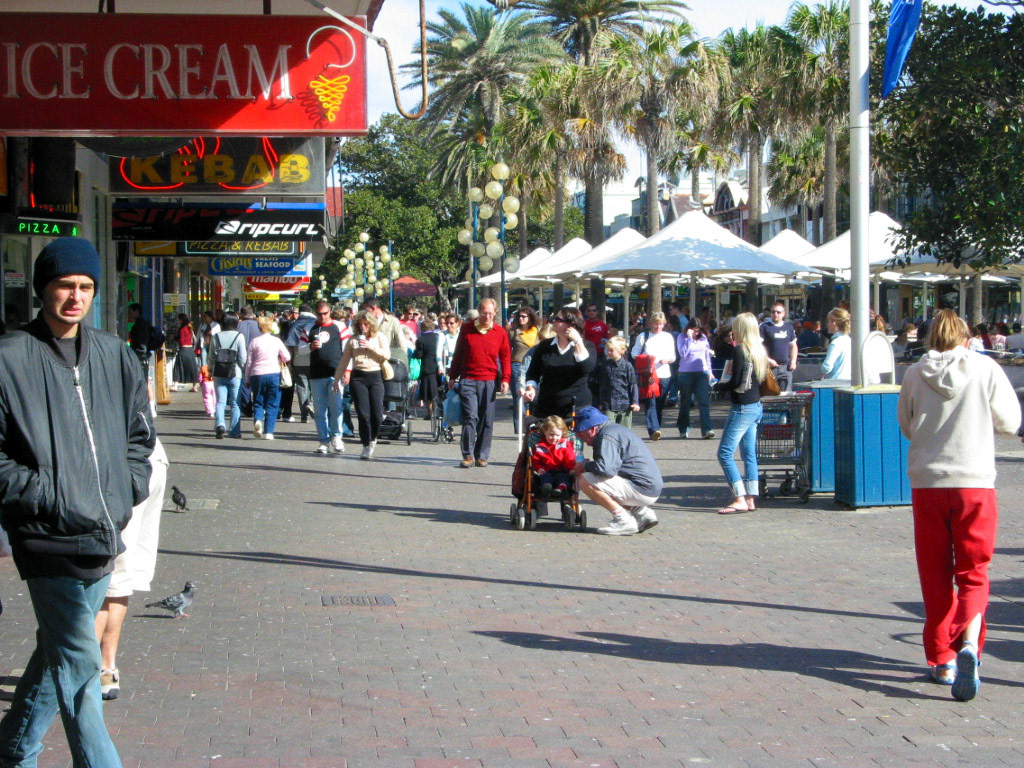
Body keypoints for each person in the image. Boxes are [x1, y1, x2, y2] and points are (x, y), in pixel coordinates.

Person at [0, 237, 155, 768]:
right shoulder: (9, 358)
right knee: (81, 669)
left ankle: (12, 751)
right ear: (44, 288)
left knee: (59, 655)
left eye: (85, 287)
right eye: (65, 285)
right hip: (47, 538)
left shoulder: (114, 354)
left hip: (103, 532)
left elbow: (140, 436)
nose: (75, 297)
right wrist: (51, 497)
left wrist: (124, 490)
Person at [897, 309, 1020, 701]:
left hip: (929, 482)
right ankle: (969, 641)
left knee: (934, 573)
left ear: (932, 336)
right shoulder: (985, 370)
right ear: (967, 338)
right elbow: (1009, 420)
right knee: (974, 572)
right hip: (974, 482)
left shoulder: (916, 372)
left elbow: (906, 423)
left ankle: (940, 658)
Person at [94, 438, 168, 701]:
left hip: (118, 462)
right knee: (116, 578)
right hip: (148, 458)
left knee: (100, 573)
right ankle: (106, 667)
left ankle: (84, 672)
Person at [571, 406, 663, 536]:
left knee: (586, 479)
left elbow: (606, 470)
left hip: (642, 488)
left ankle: (623, 521)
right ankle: (642, 513)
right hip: (650, 486)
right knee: (599, 479)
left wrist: (584, 467)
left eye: (581, 431)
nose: (579, 435)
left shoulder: (607, 436)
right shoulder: (614, 430)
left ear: (592, 428)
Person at [713, 312, 768, 515]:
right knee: (749, 454)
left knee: (725, 453)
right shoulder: (758, 350)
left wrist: (719, 387)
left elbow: (736, 382)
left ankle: (739, 497)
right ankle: (752, 496)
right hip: (755, 405)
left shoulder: (740, 350)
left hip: (742, 406)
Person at [448, 298, 511, 468]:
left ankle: (482, 455)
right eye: (484, 313)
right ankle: (468, 455)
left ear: (495, 313)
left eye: (491, 313)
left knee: (487, 419)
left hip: (489, 380)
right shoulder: (467, 329)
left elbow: (505, 358)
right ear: (478, 312)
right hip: (468, 379)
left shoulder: (500, 332)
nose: (488, 316)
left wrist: (505, 379)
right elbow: (458, 353)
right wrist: (453, 376)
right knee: (471, 417)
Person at [523, 306, 597, 420]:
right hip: (547, 406)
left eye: (558, 319)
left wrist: (578, 341)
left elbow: (587, 367)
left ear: (571, 324)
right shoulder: (544, 346)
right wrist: (531, 387)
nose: (553, 321)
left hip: (576, 407)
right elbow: (533, 372)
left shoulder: (588, 346)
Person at [336, 310, 390, 460]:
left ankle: (373, 438)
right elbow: (344, 360)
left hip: (376, 375)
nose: (363, 327)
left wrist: (370, 346)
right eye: (360, 324)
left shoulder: (379, 337)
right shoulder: (353, 340)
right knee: (363, 414)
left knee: (377, 415)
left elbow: (386, 355)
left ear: (371, 324)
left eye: (366, 324)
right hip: (358, 377)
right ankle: (366, 444)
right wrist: (336, 379)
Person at [630, 311, 676, 440]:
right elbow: (635, 352)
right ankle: (653, 429)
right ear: (651, 324)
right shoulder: (643, 336)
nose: (658, 327)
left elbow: (673, 356)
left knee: (660, 402)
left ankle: (657, 427)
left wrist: (667, 360)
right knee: (651, 402)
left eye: (660, 324)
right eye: (656, 324)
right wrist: (645, 360)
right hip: (648, 375)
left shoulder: (668, 337)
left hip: (663, 373)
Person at [308, 300, 345, 455]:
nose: (322, 316)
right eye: (319, 314)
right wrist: (309, 347)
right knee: (319, 411)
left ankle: (337, 437)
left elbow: (347, 348)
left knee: (336, 407)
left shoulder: (339, 327)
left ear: (330, 311)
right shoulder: (310, 328)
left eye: (325, 313)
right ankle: (323, 440)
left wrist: (347, 371)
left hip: (335, 374)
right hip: (316, 374)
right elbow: (299, 349)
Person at [245, 316, 291, 440]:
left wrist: (247, 379)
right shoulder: (276, 341)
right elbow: (287, 357)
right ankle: (269, 432)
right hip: (273, 373)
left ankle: (258, 420)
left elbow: (249, 362)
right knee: (272, 403)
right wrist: (279, 358)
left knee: (258, 401)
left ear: (259, 328)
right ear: (270, 327)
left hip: (257, 374)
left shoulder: (254, 341)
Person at [207, 311, 247, 439]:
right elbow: (242, 357)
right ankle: (234, 431)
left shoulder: (215, 337)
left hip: (219, 372)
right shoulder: (239, 336)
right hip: (235, 373)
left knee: (220, 402)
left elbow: (211, 356)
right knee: (235, 403)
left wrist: (211, 370)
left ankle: (220, 424)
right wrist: (245, 370)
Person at [676, 319, 715, 439]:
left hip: (702, 372)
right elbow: (683, 353)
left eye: (697, 331)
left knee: (703, 401)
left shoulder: (703, 338)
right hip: (686, 373)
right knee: (685, 402)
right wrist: (688, 339)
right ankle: (684, 428)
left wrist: (710, 371)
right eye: (693, 331)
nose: (696, 334)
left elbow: (706, 355)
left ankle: (707, 429)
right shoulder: (681, 337)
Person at [596, 336, 640, 428]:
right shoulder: (605, 366)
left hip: (625, 404)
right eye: (608, 350)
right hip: (608, 404)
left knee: (625, 432)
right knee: (607, 430)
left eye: (612, 350)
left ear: (621, 351)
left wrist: (635, 402)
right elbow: (602, 385)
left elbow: (633, 384)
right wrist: (600, 402)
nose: (609, 352)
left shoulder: (627, 366)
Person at [283, 303, 316, 423]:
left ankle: (304, 415)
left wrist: (289, 361)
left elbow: (290, 345)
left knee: (302, 386)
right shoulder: (316, 323)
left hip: (299, 358)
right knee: (314, 385)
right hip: (314, 358)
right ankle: (311, 403)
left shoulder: (294, 325)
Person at [508, 306, 540, 432]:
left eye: (524, 316)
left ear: (530, 318)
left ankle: (532, 423)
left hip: (534, 365)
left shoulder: (537, 331)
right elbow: (506, 350)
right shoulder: (513, 332)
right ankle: (520, 427)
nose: (521, 319)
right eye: (519, 316)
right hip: (517, 364)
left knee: (534, 395)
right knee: (519, 396)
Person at [532, 415, 577, 495]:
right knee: (545, 477)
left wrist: (571, 468)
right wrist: (539, 468)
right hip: (546, 470)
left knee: (562, 478)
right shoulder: (539, 446)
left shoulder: (565, 444)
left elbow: (570, 458)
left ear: (562, 434)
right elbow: (536, 460)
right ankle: (546, 488)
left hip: (561, 470)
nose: (554, 438)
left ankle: (561, 488)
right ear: (545, 431)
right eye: (551, 434)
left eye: (557, 435)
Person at [759, 301, 798, 393]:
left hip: (786, 367)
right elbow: (758, 347)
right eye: (773, 312)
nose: (775, 314)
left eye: (778, 312)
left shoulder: (788, 327)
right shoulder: (764, 327)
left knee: (786, 395)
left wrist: (793, 361)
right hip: (770, 367)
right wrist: (768, 360)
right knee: (769, 394)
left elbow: (793, 346)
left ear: (784, 313)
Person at [412, 317, 443, 419]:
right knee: (436, 390)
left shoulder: (421, 340)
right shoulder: (437, 337)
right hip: (438, 367)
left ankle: (430, 413)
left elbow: (418, 355)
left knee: (427, 393)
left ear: (422, 328)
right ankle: (438, 411)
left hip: (426, 368)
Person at [364, 298, 407, 366]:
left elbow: (401, 341)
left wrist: (404, 360)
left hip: (388, 359)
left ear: (373, 308)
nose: (366, 312)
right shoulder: (366, 322)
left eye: (366, 309)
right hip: (372, 361)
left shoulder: (392, 321)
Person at [820, 307, 852, 380]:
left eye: (829, 321)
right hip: (849, 381)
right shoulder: (849, 340)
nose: (827, 324)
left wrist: (822, 370)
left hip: (835, 381)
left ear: (834, 323)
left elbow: (827, 367)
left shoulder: (836, 343)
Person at [172, 313, 200, 392]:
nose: (178, 321)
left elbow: (181, 340)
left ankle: (175, 385)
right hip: (190, 350)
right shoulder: (189, 328)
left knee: (178, 367)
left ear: (181, 320)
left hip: (183, 350)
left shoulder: (182, 329)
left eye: (179, 319)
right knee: (192, 367)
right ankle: (194, 386)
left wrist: (175, 338)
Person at [125, 302, 153, 374]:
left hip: (139, 357)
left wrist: (136, 353)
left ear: (136, 311)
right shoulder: (143, 323)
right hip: (142, 356)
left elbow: (141, 343)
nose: (128, 314)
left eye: (130, 311)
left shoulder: (140, 325)